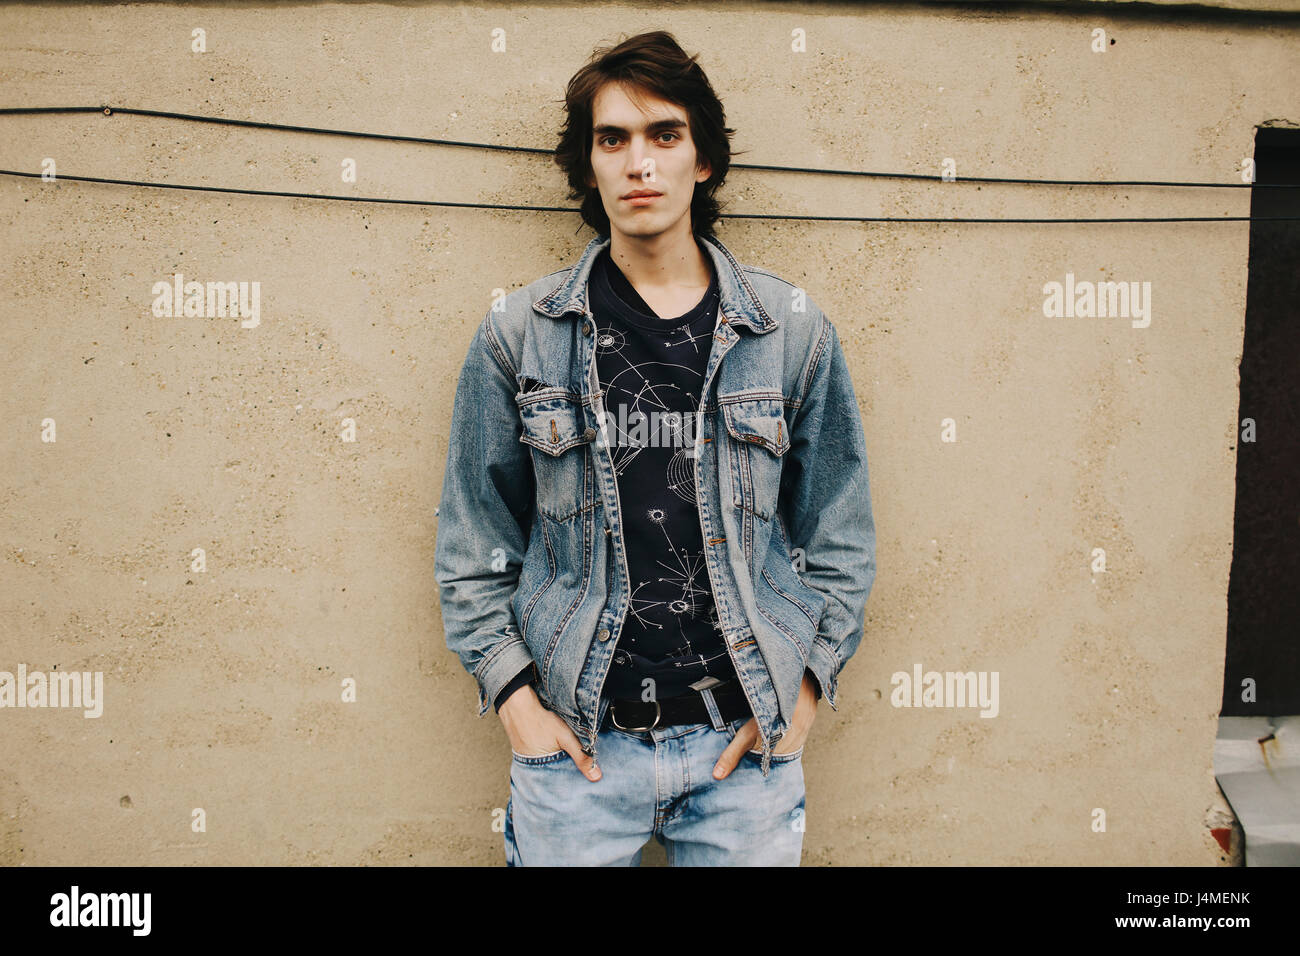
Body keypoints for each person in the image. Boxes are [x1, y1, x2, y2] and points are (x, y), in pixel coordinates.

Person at [434, 30, 876, 866]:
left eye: (664, 135)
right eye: (614, 139)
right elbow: (473, 544)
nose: (640, 163)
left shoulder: (788, 333)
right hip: (578, 754)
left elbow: (839, 537)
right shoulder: (519, 337)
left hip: (744, 751)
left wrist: (805, 691)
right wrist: (519, 706)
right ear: (590, 165)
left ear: (701, 159)